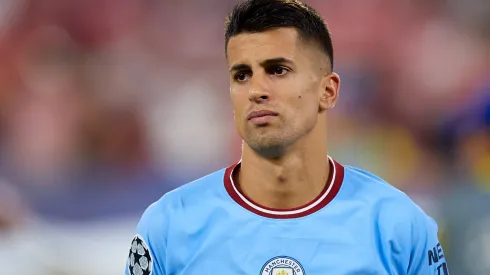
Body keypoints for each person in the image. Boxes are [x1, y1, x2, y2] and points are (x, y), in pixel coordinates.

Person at [125, 0, 449, 274]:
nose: (256, 91)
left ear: (328, 90)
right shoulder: (169, 226)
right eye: (242, 75)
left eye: (278, 70)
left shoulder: (399, 227)